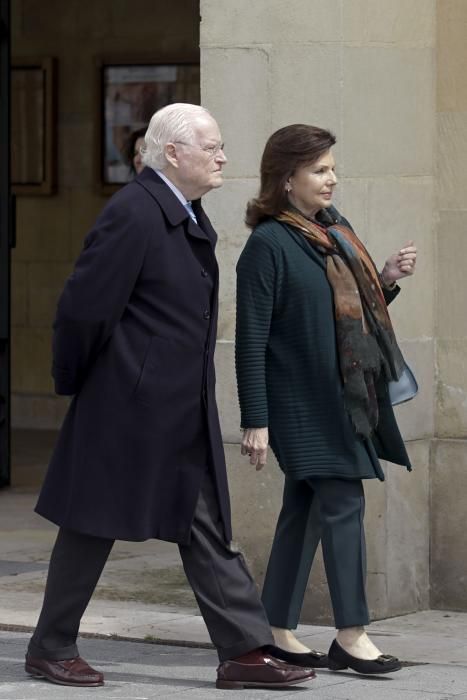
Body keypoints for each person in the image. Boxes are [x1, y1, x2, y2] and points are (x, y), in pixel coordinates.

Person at [24, 105, 316, 691]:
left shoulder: (183, 210)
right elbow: (82, 311)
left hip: (177, 407)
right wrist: (82, 384)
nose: (224, 158)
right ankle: (50, 646)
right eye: (213, 148)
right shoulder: (135, 213)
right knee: (90, 522)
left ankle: (243, 651)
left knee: (203, 521)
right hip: (127, 405)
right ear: (174, 153)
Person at [235, 124, 417, 675]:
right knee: (343, 503)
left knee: (306, 508)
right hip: (298, 403)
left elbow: (346, 312)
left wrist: (383, 279)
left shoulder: (335, 231)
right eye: (319, 170)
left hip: (343, 396)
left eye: (333, 167)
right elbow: (250, 339)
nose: (331, 178)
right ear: (286, 179)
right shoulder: (266, 245)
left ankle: (276, 626)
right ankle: (351, 634)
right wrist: (255, 421)